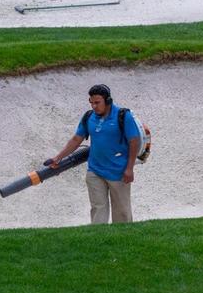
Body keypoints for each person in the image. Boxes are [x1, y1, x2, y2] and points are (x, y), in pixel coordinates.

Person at [47, 84, 140, 224]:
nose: (94, 106)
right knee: (98, 209)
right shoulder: (89, 117)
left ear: (108, 101)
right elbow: (76, 139)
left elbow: (134, 141)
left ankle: (122, 236)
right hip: (95, 171)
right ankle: (98, 235)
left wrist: (129, 168)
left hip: (119, 171)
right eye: (91, 103)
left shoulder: (123, 116)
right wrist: (58, 157)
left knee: (122, 211)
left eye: (97, 102)